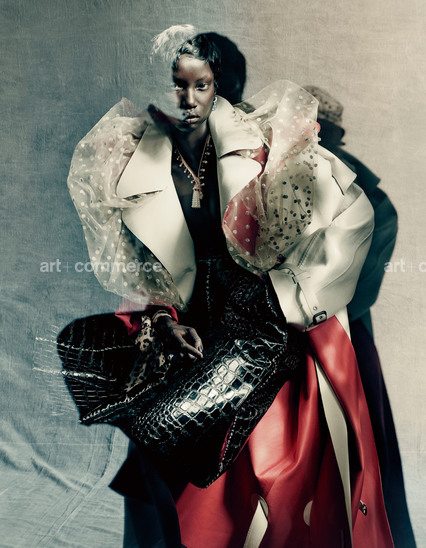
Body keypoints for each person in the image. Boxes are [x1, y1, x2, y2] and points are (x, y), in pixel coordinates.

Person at [63, 28, 394, 547]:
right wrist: (162, 317)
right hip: (189, 326)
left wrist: (285, 296)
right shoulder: (134, 154)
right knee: (160, 452)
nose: (187, 98)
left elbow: (354, 216)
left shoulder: (267, 142)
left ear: (224, 84)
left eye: (201, 84)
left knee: (264, 467)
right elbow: (145, 265)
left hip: (261, 322)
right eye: (179, 84)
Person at [303, 85, 416, 548]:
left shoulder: (371, 201)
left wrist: (309, 305)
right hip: (283, 333)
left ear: (331, 135)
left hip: (340, 339)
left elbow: (358, 290)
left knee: (353, 453)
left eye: (317, 131)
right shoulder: (276, 180)